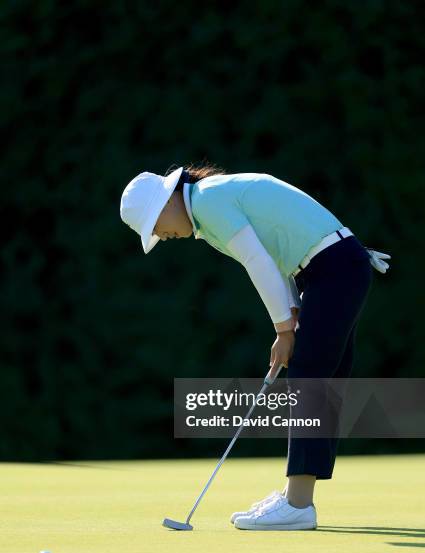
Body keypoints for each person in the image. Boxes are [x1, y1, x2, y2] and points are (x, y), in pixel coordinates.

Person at [120, 163, 391, 531]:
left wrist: (283, 330)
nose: (160, 235)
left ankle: (298, 504)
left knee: (309, 380)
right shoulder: (207, 205)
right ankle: (296, 497)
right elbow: (274, 256)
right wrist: (291, 318)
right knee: (320, 382)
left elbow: (257, 260)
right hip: (331, 269)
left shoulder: (206, 201)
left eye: (155, 224)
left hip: (333, 268)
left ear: (168, 201)